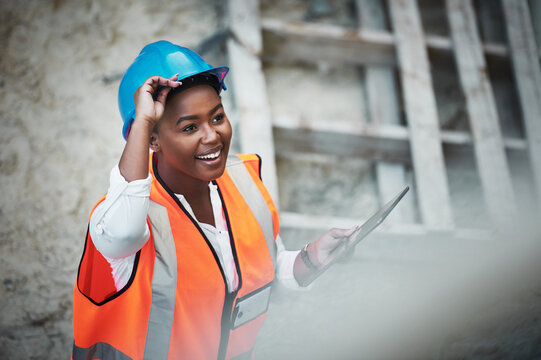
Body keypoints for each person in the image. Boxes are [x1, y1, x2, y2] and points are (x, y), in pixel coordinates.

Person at [72, 40, 359, 360]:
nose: (211, 136)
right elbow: (123, 234)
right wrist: (142, 121)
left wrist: (312, 259)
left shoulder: (243, 184)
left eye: (217, 117)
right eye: (190, 127)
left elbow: (260, 272)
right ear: (152, 139)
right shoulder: (122, 218)